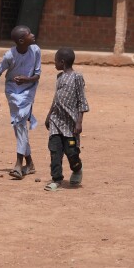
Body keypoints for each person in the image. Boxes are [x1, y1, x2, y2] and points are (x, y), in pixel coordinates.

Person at [0, 25, 41, 180]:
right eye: (29, 34)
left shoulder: (36, 51)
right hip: (13, 93)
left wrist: (27, 79)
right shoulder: (9, 56)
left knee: (20, 124)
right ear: (21, 40)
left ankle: (19, 164)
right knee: (20, 126)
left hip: (28, 92)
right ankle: (29, 163)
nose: (33, 35)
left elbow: (37, 75)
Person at [44, 48, 89, 191]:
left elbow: (82, 100)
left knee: (72, 153)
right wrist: (49, 115)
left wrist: (79, 121)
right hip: (56, 121)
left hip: (71, 124)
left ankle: (77, 170)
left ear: (62, 62)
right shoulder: (59, 77)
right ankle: (56, 179)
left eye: (55, 61)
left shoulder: (77, 77)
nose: (54, 64)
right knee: (55, 151)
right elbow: (56, 98)